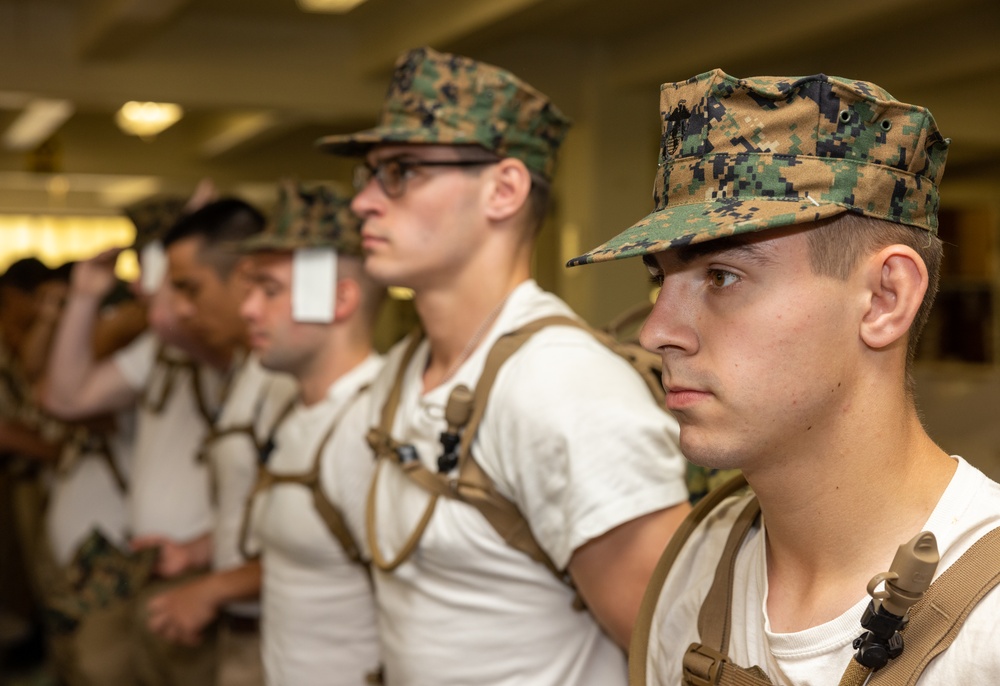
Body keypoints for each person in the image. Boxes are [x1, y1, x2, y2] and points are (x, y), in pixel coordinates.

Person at [567, 69, 1000, 685]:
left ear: (884, 299)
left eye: (721, 276)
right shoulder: (698, 563)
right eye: (660, 278)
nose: (656, 331)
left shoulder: (986, 624)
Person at [319, 46, 691, 685]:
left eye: (401, 171)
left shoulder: (563, 387)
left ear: (504, 189)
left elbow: (671, 652)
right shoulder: (403, 369)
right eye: (369, 175)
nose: (364, 204)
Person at [43, 197, 265, 686]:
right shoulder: (162, 350)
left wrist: (177, 252)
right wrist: (84, 298)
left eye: (179, 281)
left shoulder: (231, 351)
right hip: (168, 566)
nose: (153, 289)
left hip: (222, 591)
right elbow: (64, 398)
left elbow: (169, 318)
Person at [140, 196, 298, 686]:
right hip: (243, 633)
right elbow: (260, 514)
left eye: (190, 289)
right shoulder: (247, 371)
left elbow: (319, 540)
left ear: (245, 276)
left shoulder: (287, 381)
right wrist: (196, 553)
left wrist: (209, 590)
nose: (183, 311)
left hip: (281, 641)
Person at [238, 181, 385, 686]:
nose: (248, 309)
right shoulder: (291, 409)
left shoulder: (374, 425)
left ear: (339, 299)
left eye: (271, 290)